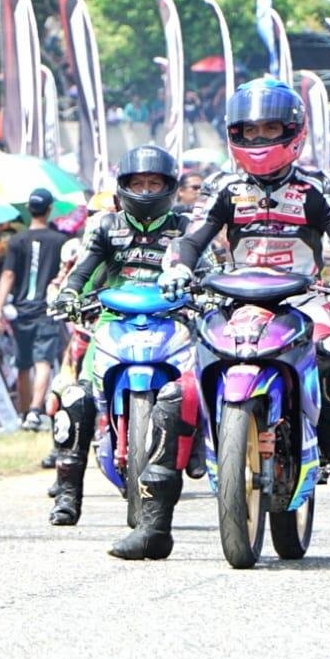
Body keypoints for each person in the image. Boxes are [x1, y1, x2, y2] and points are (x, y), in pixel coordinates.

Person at [154, 79, 330, 557]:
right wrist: (176, 268)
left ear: (294, 131)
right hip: (235, 300)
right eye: (248, 131)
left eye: (270, 128)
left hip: (303, 298)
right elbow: (191, 240)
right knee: (182, 383)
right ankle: (156, 513)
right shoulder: (222, 187)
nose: (258, 140)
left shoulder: (320, 187)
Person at [46, 145, 192, 539]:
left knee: (198, 388)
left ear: (169, 186)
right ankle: (68, 493)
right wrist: (68, 295)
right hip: (113, 324)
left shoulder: (185, 226)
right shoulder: (106, 227)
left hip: (171, 323)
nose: (146, 191)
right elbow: (82, 271)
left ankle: (203, 451)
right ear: (123, 187)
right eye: (138, 183)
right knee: (77, 398)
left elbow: (206, 267)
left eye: (154, 183)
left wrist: (207, 289)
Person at [0, 189, 70, 431]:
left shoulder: (17, 241)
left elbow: (7, 274)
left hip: (22, 309)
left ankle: (25, 412)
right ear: (48, 210)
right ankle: (36, 410)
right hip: (46, 308)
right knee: (43, 360)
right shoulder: (59, 240)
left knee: (23, 363)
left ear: (29, 209)